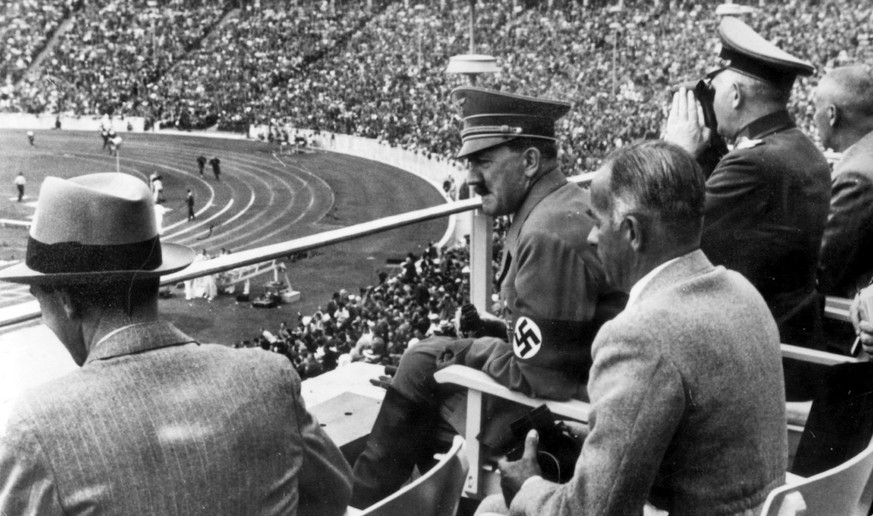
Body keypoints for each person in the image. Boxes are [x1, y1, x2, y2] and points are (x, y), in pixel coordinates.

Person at [0, 173, 352, 515]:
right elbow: (335, 496)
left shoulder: (37, 428)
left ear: (66, 301)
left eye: (39, 300)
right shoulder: (268, 376)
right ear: (153, 279)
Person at [350, 87, 625, 508]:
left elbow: (541, 376)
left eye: (483, 161)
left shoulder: (545, 234)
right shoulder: (564, 204)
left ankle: (363, 501)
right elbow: (566, 335)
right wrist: (497, 330)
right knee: (429, 358)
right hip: (588, 385)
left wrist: (469, 350)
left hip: (568, 411)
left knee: (422, 363)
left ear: (530, 161)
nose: (471, 179)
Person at [479, 140, 787, 516]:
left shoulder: (639, 335)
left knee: (496, 508)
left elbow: (590, 512)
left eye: (597, 222)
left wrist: (527, 488)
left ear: (632, 232)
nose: (592, 238)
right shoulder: (742, 292)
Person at [664, 17, 830, 398]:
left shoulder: (753, 164)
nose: (709, 96)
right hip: (793, 340)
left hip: (753, 360)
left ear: (735, 95)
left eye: (715, 86)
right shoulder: (802, 148)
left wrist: (675, 152)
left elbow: (669, 237)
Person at [815, 64, 873, 300]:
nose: (813, 117)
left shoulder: (856, 175)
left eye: (815, 109)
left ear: (831, 114)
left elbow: (826, 270)